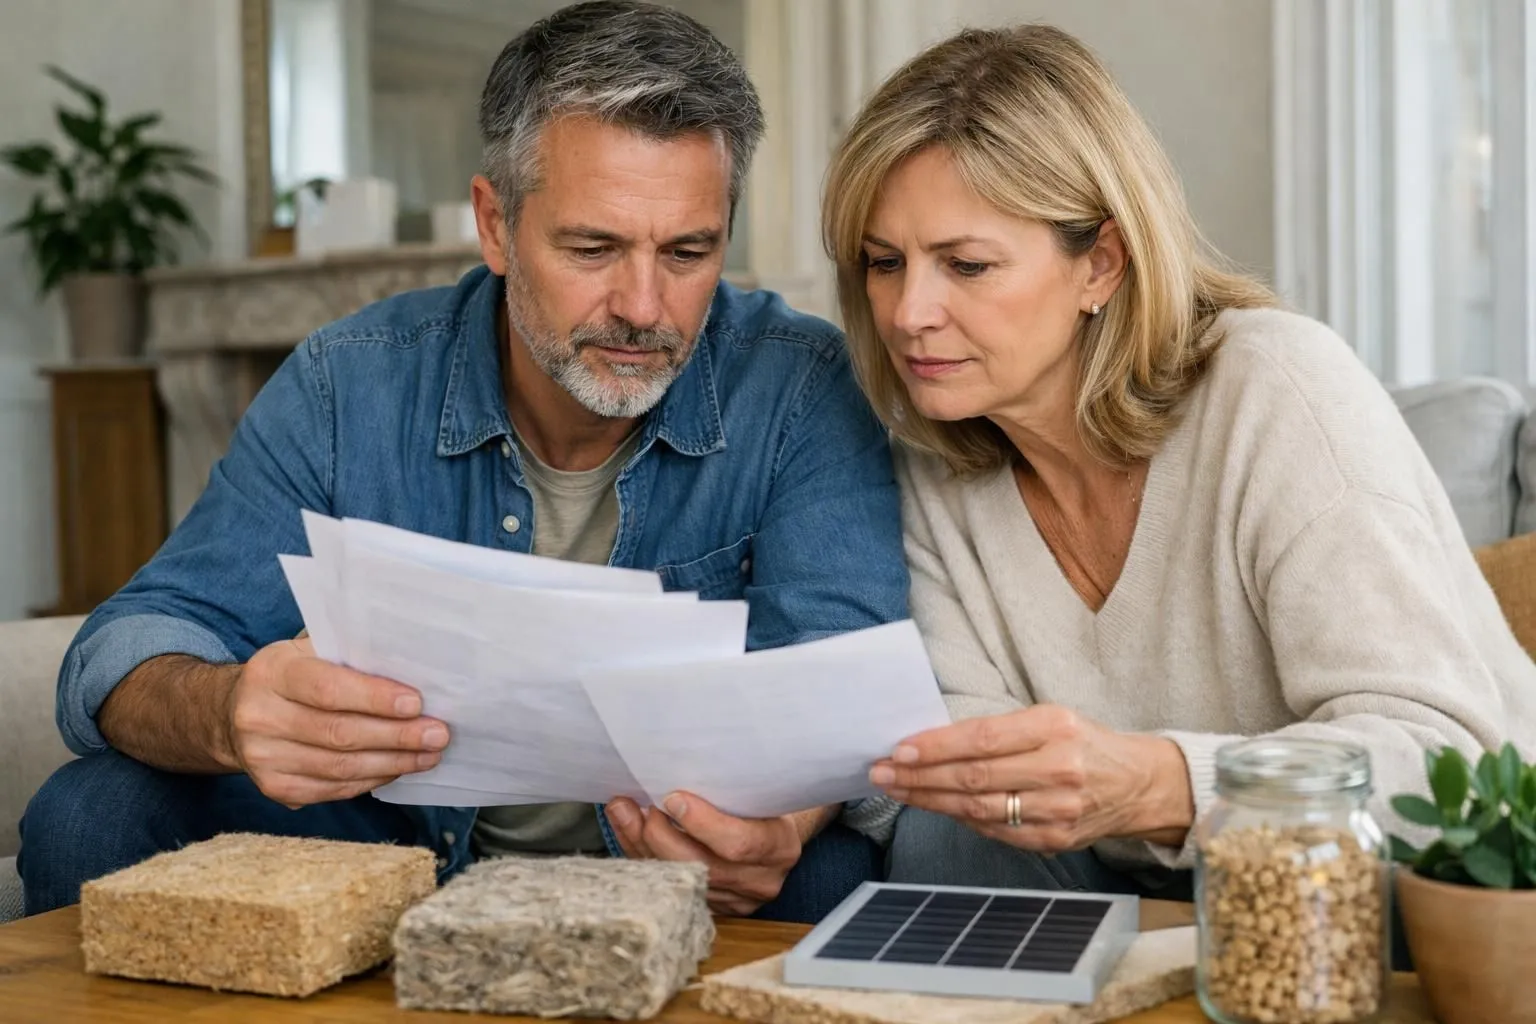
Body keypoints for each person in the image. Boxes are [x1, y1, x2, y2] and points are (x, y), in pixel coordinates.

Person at [19, 0, 907, 921]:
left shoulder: (800, 387)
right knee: (90, 816)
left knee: (831, 872)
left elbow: (842, 680)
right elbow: (129, 642)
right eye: (592, 247)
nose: (645, 306)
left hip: (669, 878)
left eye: (689, 252)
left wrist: (783, 827)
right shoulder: (347, 383)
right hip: (385, 852)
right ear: (495, 225)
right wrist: (229, 710)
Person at [821, 24, 1536, 901]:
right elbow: (985, 783)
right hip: (1130, 900)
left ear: (1102, 266)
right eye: (884, 264)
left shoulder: (1274, 387)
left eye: (966, 265)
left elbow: (1434, 760)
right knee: (950, 835)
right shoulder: (933, 466)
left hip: (1411, 889)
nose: (907, 312)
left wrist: (1159, 785)